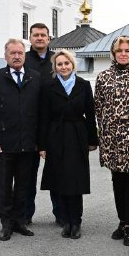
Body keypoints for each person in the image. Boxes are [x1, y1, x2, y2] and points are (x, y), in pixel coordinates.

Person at [94, 35, 129, 247]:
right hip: (112, 141)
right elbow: (98, 108)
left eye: (127, 50)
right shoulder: (103, 77)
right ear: (114, 53)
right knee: (118, 183)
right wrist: (104, 135)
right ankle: (122, 220)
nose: (123, 54)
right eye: (120, 51)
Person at [0, 38, 42, 241]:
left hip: (29, 143)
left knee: (24, 185)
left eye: (20, 53)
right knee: (5, 186)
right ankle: (6, 223)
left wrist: (40, 142)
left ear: (24, 55)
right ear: (5, 55)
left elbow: (41, 113)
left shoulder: (35, 78)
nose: (17, 56)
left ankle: (19, 221)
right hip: (4, 144)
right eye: (12, 53)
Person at [38, 50, 98, 239]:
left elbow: (90, 113)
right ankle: (65, 220)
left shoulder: (83, 85)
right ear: (55, 68)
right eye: (60, 64)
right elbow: (44, 117)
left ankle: (76, 222)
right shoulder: (49, 86)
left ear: (73, 65)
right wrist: (42, 145)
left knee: (76, 180)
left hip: (77, 135)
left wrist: (92, 140)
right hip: (55, 135)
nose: (63, 67)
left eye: (67, 63)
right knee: (59, 180)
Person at [22, 22, 59, 226]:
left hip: (53, 124)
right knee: (27, 175)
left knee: (56, 171)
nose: (39, 38)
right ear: (30, 38)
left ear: (48, 38)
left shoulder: (57, 60)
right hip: (29, 124)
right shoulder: (24, 59)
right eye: (35, 35)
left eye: (43, 35)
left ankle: (60, 213)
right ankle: (25, 214)